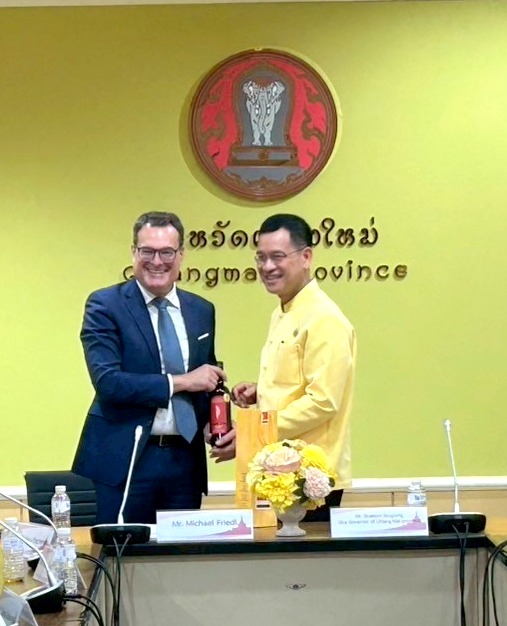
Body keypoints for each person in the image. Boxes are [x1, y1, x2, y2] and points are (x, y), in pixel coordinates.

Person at [73, 211, 225, 524]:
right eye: (147, 251)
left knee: (182, 553)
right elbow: (109, 382)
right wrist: (183, 382)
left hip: (185, 462)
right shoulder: (105, 305)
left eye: (167, 252)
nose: (157, 261)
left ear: (181, 255)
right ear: (133, 252)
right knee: (122, 551)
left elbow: (206, 380)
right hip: (126, 460)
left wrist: (216, 423)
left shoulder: (201, 310)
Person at [227, 213, 356, 521]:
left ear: (306, 257)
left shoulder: (324, 318)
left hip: (310, 479)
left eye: (277, 257)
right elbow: (296, 382)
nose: (267, 267)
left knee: (303, 554)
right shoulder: (283, 312)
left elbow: (323, 401)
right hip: (279, 470)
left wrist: (254, 430)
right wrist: (261, 392)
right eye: (261, 257)